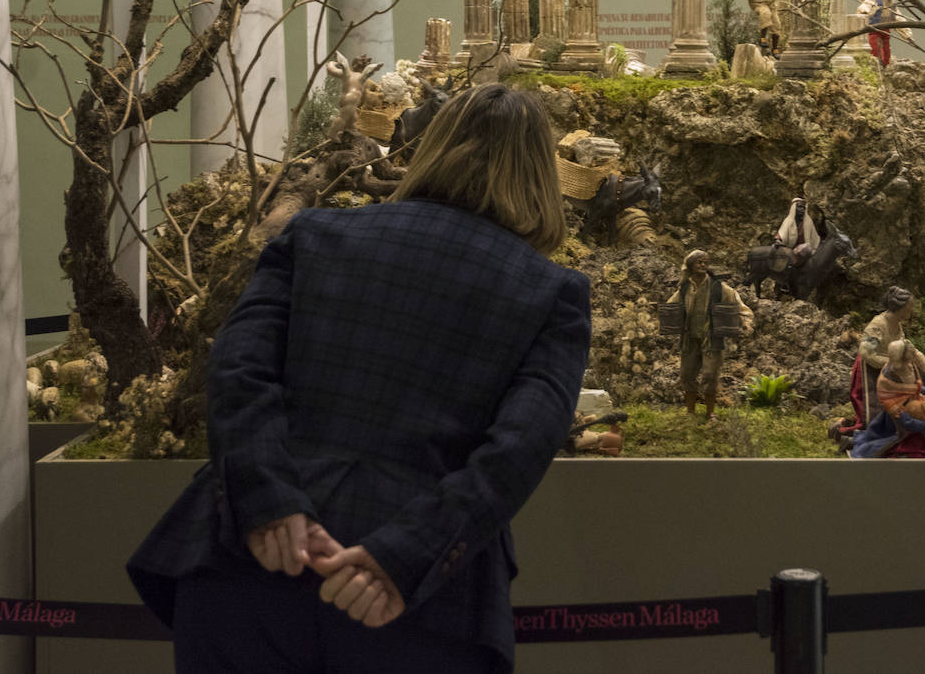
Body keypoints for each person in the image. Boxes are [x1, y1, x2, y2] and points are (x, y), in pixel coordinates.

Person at [127, 84, 592, 673]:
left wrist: (268, 500)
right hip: (411, 610)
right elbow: (518, 449)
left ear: (434, 146)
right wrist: (402, 556)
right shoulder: (553, 293)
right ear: (540, 175)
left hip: (248, 563)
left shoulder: (315, 235)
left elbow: (238, 368)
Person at [844, 285, 925, 434]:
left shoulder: (897, 326)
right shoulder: (878, 325)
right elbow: (867, 354)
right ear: (900, 307)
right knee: (874, 416)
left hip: (890, 370)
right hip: (869, 371)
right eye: (909, 307)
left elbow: (911, 350)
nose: (911, 310)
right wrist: (892, 362)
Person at [667, 249, 754, 420]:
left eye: (705, 261)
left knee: (709, 376)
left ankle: (710, 412)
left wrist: (746, 323)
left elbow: (740, 307)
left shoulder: (719, 288)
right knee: (686, 375)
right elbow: (671, 307)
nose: (703, 264)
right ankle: (690, 411)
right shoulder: (684, 289)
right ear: (690, 265)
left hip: (712, 340)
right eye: (699, 261)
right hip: (689, 340)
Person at [850, 339, 925, 458]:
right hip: (899, 428)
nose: (913, 359)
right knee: (916, 452)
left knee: (917, 410)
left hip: (917, 416)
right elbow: (907, 423)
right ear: (900, 358)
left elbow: (916, 388)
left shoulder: (908, 366)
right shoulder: (888, 385)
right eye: (909, 356)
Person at [773, 197, 821, 268]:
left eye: (804, 208)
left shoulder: (808, 222)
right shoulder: (788, 221)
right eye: (799, 207)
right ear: (794, 208)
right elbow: (781, 234)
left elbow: (814, 237)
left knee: (806, 248)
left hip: (805, 249)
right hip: (791, 249)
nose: (802, 209)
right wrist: (778, 241)